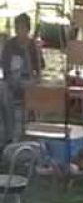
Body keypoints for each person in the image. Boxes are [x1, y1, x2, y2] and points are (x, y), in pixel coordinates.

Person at [1, 14, 43, 146]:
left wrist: (34, 80)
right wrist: (12, 81)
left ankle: (30, 133)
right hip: (11, 83)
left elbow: (39, 70)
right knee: (4, 91)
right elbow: (5, 69)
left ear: (28, 30)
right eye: (17, 28)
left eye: (23, 29)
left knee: (34, 91)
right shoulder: (9, 46)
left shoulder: (32, 46)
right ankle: (9, 134)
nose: (20, 32)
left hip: (28, 83)